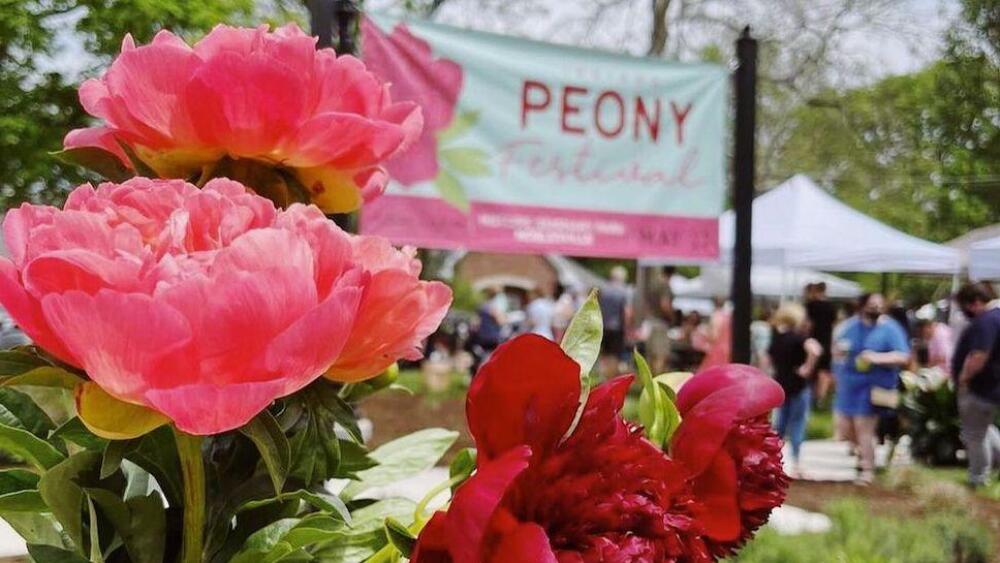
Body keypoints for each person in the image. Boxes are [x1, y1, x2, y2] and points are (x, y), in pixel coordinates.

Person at [833, 292, 910, 484]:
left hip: (876, 386)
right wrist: (839, 355)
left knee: (864, 427)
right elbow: (837, 350)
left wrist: (876, 357)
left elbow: (903, 356)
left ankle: (867, 470)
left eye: (879, 305)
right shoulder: (850, 327)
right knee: (844, 428)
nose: (876, 308)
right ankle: (863, 454)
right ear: (862, 306)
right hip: (850, 384)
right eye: (872, 304)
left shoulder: (891, 328)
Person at [952, 282, 1000, 488]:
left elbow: (979, 355)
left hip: (981, 388)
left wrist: (964, 379)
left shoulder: (986, 321)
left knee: (975, 435)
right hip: (992, 387)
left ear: (975, 303)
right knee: (985, 429)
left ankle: (978, 477)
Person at [766, 303, 822, 478]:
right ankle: (796, 464)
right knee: (797, 424)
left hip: (781, 385)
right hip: (798, 385)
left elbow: (768, 358)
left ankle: (772, 462)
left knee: (779, 427)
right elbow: (815, 350)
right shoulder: (799, 338)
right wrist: (807, 368)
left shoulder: (776, 338)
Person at [598, 266, 631, 378]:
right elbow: (626, 312)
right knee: (614, 355)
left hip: (604, 326)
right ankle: (611, 378)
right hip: (617, 328)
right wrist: (627, 328)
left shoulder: (604, 290)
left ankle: (602, 376)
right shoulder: (623, 291)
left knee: (605, 353)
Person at [806, 282, 836, 401]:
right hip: (827, 340)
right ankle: (821, 398)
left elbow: (808, 324)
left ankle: (812, 396)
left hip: (813, 339)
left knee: (812, 368)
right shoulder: (831, 306)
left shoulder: (810, 305)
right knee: (824, 371)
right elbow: (834, 324)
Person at [641, 266, 675, 373]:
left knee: (650, 356)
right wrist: (672, 316)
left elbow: (646, 305)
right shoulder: (665, 286)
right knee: (660, 356)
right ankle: (657, 380)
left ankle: (650, 380)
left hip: (650, 323)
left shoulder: (652, 285)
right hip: (661, 324)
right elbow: (664, 304)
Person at [698, 297, 731, 371]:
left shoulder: (716, 315)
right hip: (728, 350)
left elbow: (713, 336)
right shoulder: (728, 316)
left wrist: (704, 333)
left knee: (712, 373)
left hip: (718, 351)